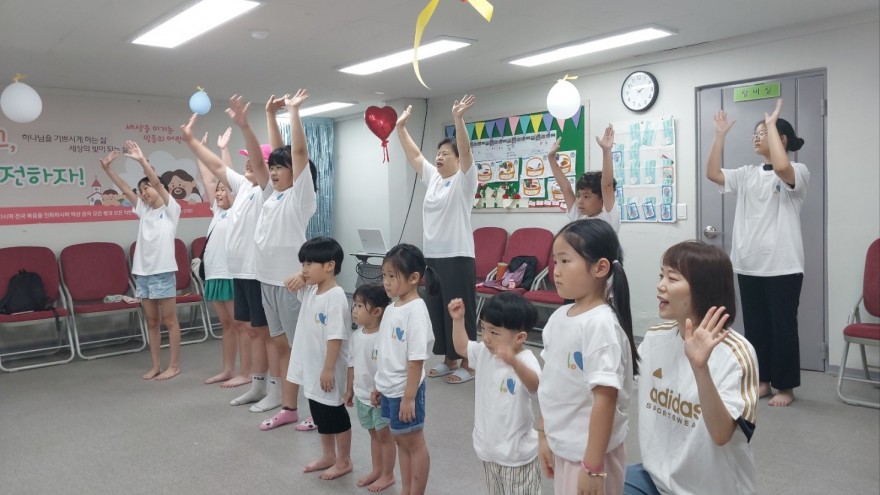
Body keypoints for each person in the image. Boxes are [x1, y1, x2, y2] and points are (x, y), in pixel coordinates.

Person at [624, 241, 758, 495]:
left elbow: (721, 435)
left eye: (672, 278)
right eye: (661, 275)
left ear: (702, 289)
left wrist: (700, 368)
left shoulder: (737, 353)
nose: (660, 286)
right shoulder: (654, 339)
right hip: (657, 478)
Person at [706, 98, 808, 407]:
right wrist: (720, 135)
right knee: (755, 328)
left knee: (783, 327)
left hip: (783, 265)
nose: (756, 136)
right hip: (748, 264)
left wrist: (773, 124)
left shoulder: (797, 171)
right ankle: (762, 381)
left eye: (762, 132)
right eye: (756, 132)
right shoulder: (746, 173)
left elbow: (780, 166)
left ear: (782, 139)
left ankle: (786, 387)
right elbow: (713, 174)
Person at [536, 219, 639, 495]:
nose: (555, 271)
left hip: (593, 455)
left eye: (565, 261)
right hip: (566, 447)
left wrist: (593, 467)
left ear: (600, 267)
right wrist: (544, 434)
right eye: (555, 261)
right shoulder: (558, 318)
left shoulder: (601, 324)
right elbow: (551, 385)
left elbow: (605, 400)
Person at [180, 106, 273, 407]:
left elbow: (222, 175)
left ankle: (256, 377)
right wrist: (193, 142)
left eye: (253, 161)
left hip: (251, 271)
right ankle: (244, 375)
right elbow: (217, 173)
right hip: (230, 270)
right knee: (238, 326)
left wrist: (242, 130)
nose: (248, 165)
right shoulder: (243, 190)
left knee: (256, 330)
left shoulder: (264, 192)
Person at [395, 96, 479, 384]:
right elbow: (415, 156)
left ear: (457, 160)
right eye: (438, 153)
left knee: (460, 311)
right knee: (439, 311)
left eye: (446, 153)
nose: (439, 157)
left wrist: (458, 119)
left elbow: (468, 153)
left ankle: (468, 363)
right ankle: (449, 359)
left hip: (458, 255)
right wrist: (400, 129)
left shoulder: (464, 180)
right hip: (433, 256)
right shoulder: (433, 178)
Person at [99, 141, 182, 381]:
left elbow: (155, 181)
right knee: (152, 321)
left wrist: (142, 161)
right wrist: (107, 170)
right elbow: (125, 189)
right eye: (142, 190)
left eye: (148, 188)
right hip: (143, 273)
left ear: (160, 188)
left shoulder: (170, 210)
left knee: (170, 321)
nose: (144, 192)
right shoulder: (143, 209)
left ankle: (174, 365)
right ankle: (156, 364)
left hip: (164, 271)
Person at [448, 292, 542, 495]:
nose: (486, 337)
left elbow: (535, 386)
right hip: (488, 449)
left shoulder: (526, 360)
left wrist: (514, 362)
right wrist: (458, 320)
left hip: (516, 456)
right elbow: (462, 347)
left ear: (519, 337)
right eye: (483, 328)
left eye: (494, 332)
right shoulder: (484, 352)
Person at [370, 244, 438, 495]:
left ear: (414, 278)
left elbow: (416, 360)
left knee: (414, 443)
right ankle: (406, 489)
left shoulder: (416, 312)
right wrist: (379, 384)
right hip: (389, 387)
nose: (386, 282)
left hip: (405, 390)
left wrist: (409, 398)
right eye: (384, 275)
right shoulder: (392, 308)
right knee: (401, 441)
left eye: (392, 276)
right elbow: (387, 352)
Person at [284, 237, 353, 480]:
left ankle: (344, 460)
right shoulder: (312, 290)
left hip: (327, 367)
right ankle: (328, 455)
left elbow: (336, 336)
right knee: (318, 412)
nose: (304, 269)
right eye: (302, 263)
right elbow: (290, 283)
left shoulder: (335, 297)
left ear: (330, 265)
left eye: (310, 263)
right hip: (313, 366)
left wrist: (328, 368)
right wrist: (303, 275)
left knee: (335, 414)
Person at [195, 130, 252, 388]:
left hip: (232, 274)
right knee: (226, 325)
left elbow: (224, 172)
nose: (218, 193)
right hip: (215, 274)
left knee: (242, 325)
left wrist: (223, 149)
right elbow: (208, 179)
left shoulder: (239, 207)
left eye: (222, 190)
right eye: (216, 191)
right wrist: (199, 149)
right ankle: (228, 369)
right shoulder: (217, 211)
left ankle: (247, 372)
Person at [345, 284, 396, 492]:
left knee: (385, 437)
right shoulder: (356, 336)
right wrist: (350, 390)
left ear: (376, 311)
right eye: (354, 305)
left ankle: (388, 474)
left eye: (359, 306)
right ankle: (377, 470)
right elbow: (351, 364)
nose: (354, 310)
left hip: (380, 398)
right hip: (361, 395)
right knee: (373, 435)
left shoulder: (384, 337)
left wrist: (382, 391)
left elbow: (388, 367)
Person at [548, 124, 620, 232]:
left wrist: (606, 151)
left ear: (602, 200)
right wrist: (551, 158)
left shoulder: (608, 219)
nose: (579, 202)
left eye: (586, 197)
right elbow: (565, 187)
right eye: (578, 196)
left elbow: (606, 185)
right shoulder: (579, 217)